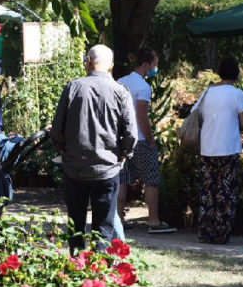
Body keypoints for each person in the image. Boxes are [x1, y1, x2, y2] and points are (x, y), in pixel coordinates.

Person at [50, 44, 137, 253]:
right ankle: (100, 267)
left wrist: (61, 148)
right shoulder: (120, 91)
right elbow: (130, 132)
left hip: (75, 167)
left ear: (88, 61)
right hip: (107, 168)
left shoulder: (73, 87)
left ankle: (76, 264)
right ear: (111, 66)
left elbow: (57, 127)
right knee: (104, 229)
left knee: (75, 226)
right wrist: (124, 154)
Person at [117, 48, 175, 234]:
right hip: (140, 139)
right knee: (151, 180)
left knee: (122, 180)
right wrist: (151, 140)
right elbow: (142, 117)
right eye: (154, 65)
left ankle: (119, 220)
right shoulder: (143, 87)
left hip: (121, 138)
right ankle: (154, 221)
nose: (155, 69)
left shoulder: (120, 82)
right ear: (146, 64)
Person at [193, 57, 243, 244]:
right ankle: (221, 232)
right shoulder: (237, 94)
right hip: (228, 147)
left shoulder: (208, 92)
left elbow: (197, 115)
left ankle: (206, 231)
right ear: (236, 73)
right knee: (226, 190)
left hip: (207, 147)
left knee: (207, 190)